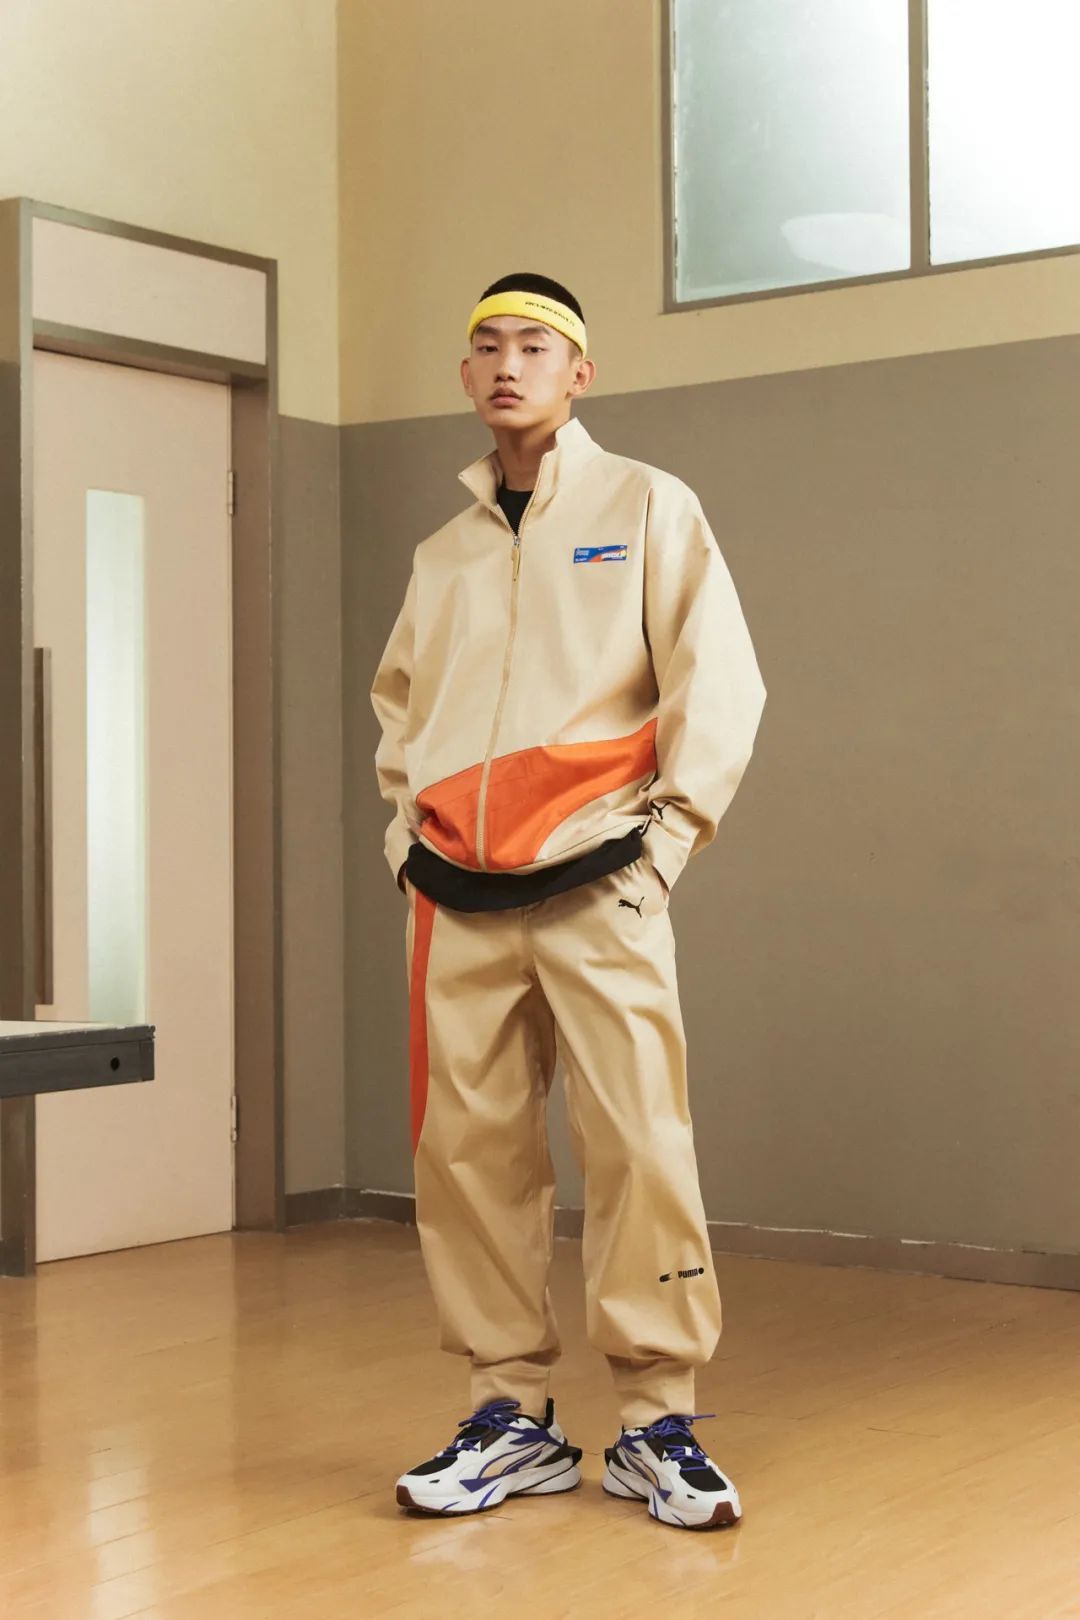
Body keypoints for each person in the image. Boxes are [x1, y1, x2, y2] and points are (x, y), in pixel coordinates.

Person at [370, 273, 766, 1531]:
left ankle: (658, 1420)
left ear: (579, 372)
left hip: (603, 878)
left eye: (535, 346)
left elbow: (720, 680)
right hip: (457, 896)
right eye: (487, 345)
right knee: (469, 1157)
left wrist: (667, 846)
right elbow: (400, 713)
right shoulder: (442, 555)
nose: (508, 364)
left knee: (639, 1143)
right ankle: (510, 1416)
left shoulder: (647, 505)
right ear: (466, 373)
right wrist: (406, 843)